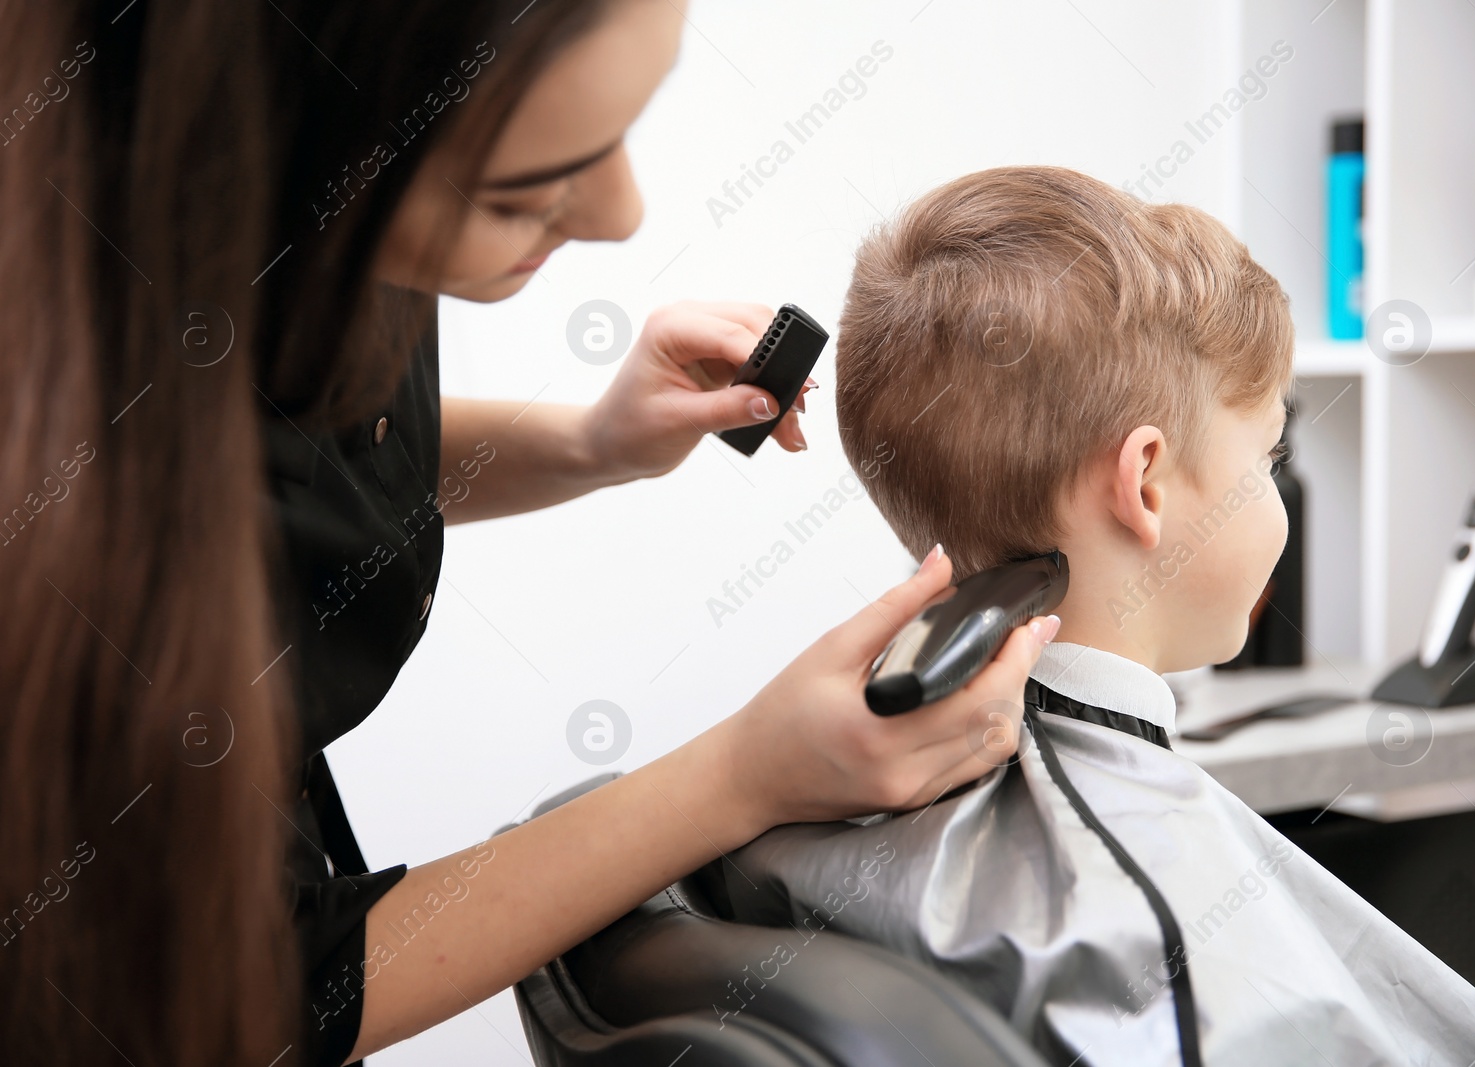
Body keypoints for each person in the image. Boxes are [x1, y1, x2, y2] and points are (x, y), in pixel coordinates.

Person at [0, 3, 1059, 1064]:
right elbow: (276, 990)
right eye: (523, 191)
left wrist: (593, 443)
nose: (622, 215)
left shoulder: (306, 254)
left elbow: (295, 459)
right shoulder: (59, 536)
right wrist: (745, 776)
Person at [717, 166, 1475, 1066]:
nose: (1276, 484)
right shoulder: (1156, 939)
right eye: (1268, 450)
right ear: (1147, 484)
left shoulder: (790, 816)